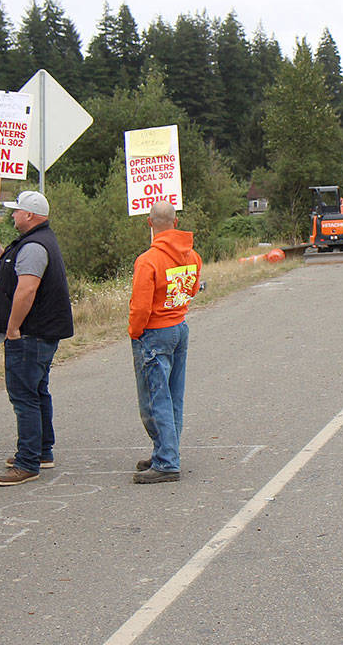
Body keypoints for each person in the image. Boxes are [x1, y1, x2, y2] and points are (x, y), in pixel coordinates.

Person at [0, 190, 74, 487]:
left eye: (17, 211)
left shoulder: (34, 246)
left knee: (24, 397)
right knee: (37, 391)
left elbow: (26, 290)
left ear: (31, 215)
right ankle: (41, 450)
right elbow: (19, 272)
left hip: (31, 333)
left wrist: (12, 328)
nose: (12, 215)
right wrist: (0, 252)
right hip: (41, 331)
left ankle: (27, 461)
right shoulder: (36, 241)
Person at [127, 201, 201, 484]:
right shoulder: (192, 256)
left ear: (150, 223)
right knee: (173, 395)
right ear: (176, 222)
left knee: (154, 399)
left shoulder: (148, 260)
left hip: (155, 332)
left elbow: (141, 306)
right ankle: (165, 451)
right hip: (179, 326)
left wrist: (135, 332)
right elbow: (191, 289)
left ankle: (167, 461)